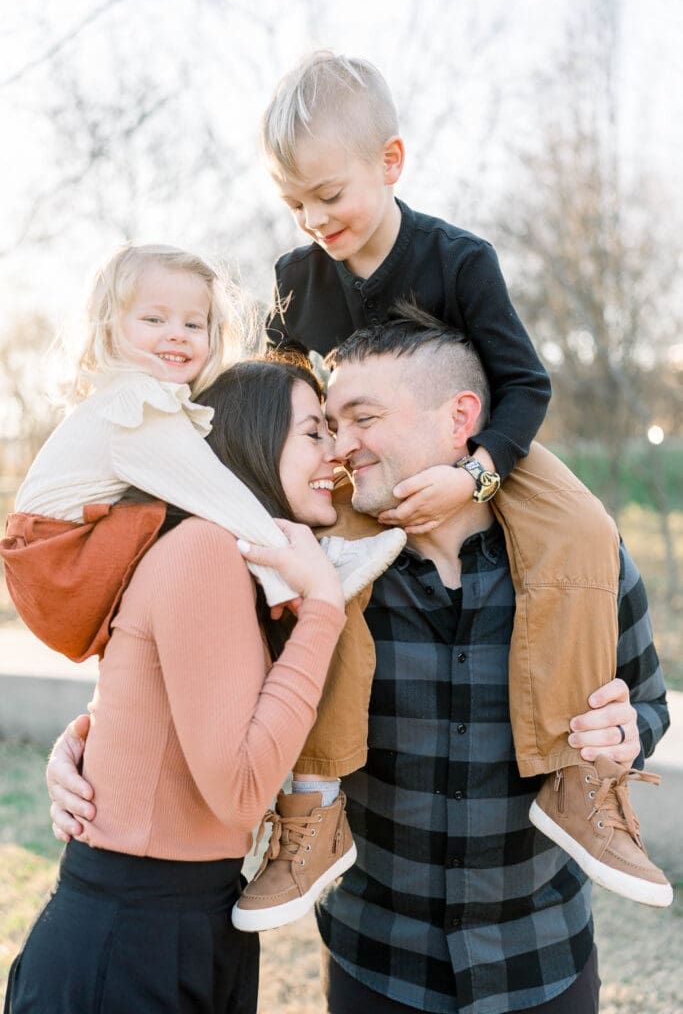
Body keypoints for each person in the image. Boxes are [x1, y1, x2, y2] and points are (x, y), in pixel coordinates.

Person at [47, 314, 671, 1014]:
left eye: (362, 418)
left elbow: (649, 701)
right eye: (327, 425)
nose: (341, 446)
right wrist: (83, 747)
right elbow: (184, 686)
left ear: (460, 418)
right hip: (375, 965)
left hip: (542, 960)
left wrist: (629, 730)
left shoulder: (583, 558)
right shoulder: (309, 572)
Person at [252, 49, 671, 907]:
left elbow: (525, 384)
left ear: (390, 162)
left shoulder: (457, 258)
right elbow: (280, 390)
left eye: (328, 196)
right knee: (327, 587)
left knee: (585, 528)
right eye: (293, 203)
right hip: (362, 468)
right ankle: (315, 806)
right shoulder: (296, 282)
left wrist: (475, 478)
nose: (312, 220)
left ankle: (581, 777)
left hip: (487, 455)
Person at [4, 357, 353, 1013]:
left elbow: (162, 716)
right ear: (254, 435)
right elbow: (240, 792)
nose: (333, 454)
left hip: (191, 919)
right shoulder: (203, 549)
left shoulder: (236, 565)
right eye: (313, 432)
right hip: (133, 940)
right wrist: (323, 609)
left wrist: (80, 739)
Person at [1, 242, 404, 662]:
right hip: (57, 564)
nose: (176, 333)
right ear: (110, 329)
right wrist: (300, 579)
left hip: (53, 568)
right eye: (154, 318)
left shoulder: (142, 401)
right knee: (205, 525)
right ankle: (325, 560)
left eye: (194, 325)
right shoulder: (134, 402)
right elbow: (220, 495)